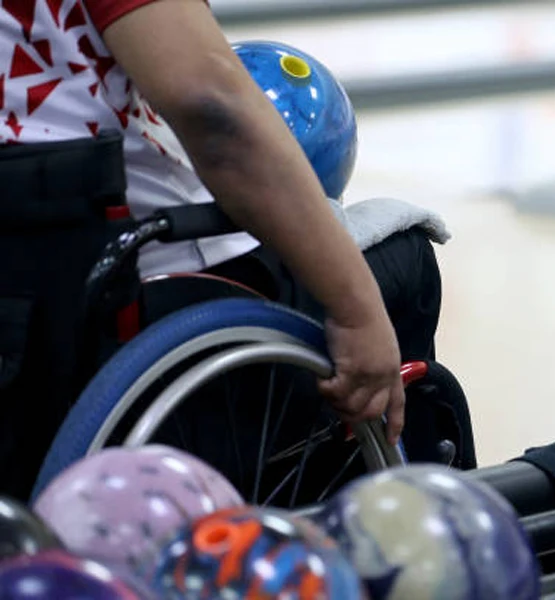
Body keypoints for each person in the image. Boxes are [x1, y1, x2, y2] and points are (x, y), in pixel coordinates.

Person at [0, 0, 405, 443]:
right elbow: (213, 111)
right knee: (406, 265)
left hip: (33, 262)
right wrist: (357, 311)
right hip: (100, 282)